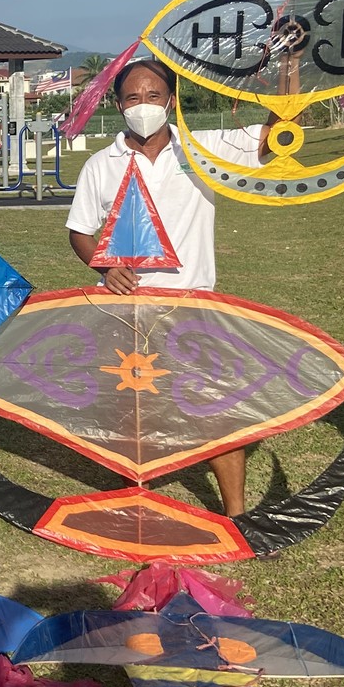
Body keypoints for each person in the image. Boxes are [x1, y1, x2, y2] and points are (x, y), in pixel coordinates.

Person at [65, 58, 274, 516]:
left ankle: (236, 514)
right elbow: (80, 230)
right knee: (134, 411)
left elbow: (277, 134)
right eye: (133, 98)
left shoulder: (205, 148)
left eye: (154, 96)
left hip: (195, 305)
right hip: (129, 310)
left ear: (172, 101)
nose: (144, 106)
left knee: (216, 408)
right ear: (119, 105)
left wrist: (292, 68)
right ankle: (134, 504)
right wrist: (104, 268)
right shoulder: (102, 164)